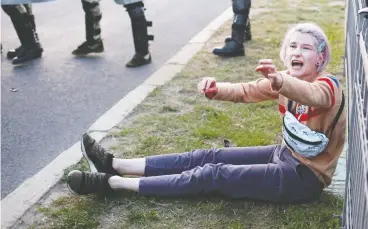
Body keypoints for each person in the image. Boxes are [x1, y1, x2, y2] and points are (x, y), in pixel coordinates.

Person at [66, 23, 346, 203]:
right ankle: (117, 164)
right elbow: (247, 90)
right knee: (206, 157)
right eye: (292, 46)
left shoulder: (328, 87)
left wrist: (281, 81)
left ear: (320, 58)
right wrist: (216, 89)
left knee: (213, 175)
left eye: (306, 48)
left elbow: (312, 95)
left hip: (304, 178)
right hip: (283, 154)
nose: (297, 51)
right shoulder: (283, 80)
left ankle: (111, 184)